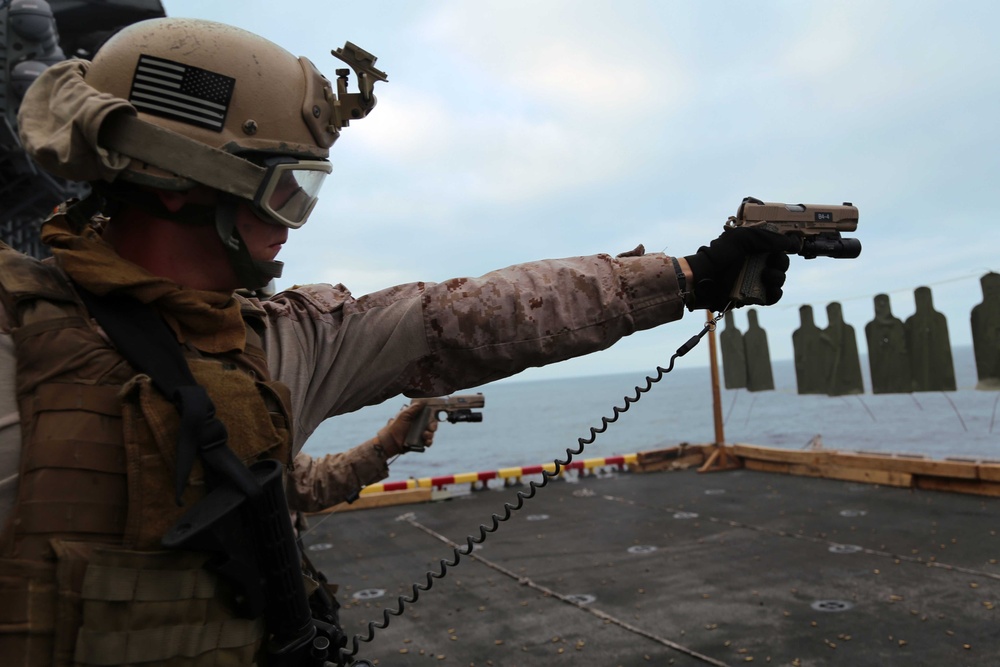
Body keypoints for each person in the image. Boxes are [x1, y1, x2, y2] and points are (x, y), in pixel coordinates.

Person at [0, 17, 797, 666]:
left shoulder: (271, 344)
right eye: (287, 188)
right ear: (177, 178)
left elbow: (470, 316)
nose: (288, 226)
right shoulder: (20, 348)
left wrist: (690, 277)